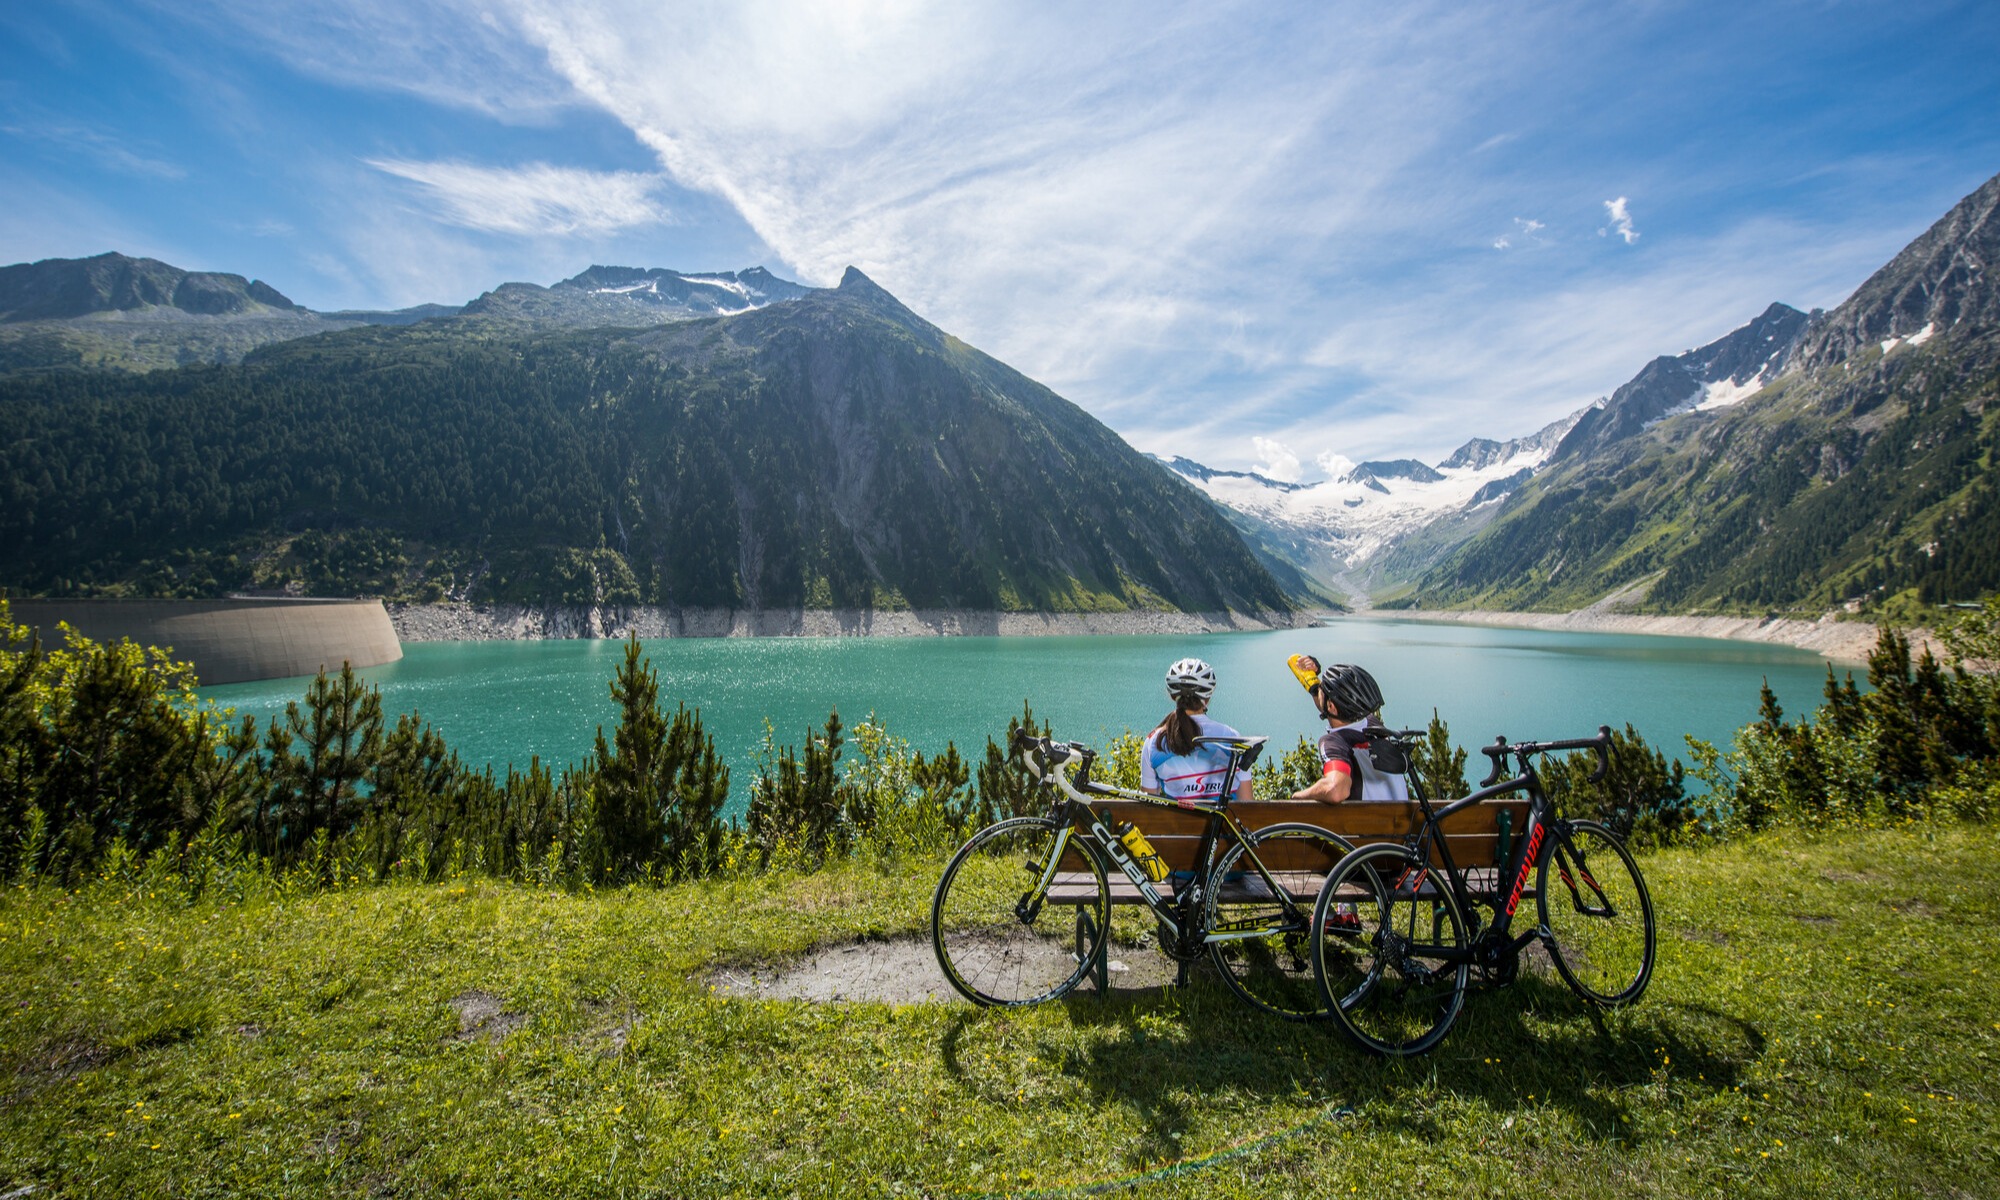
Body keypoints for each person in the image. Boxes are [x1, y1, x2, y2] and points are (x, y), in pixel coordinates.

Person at [1286, 654, 1410, 804]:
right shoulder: (1371, 723)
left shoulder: (1334, 743)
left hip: (1370, 826)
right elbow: (1336, 707)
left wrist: (1298, 796)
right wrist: (1314, 683)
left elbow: (1336, 789)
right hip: (1403, 822)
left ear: (1331, 706)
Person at [1141, 657, 1255, 803]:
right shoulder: (1232, 738)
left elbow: (1149, 806)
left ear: (1172, 696)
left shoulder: (1155, 742)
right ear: (1208, 697)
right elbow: (1247, 802)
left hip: (1175, 825)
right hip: (1224, 825)